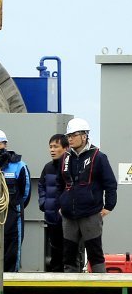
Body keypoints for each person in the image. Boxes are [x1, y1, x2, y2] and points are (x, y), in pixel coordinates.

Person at [58, 117, 117, 273]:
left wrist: (108, 207)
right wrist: (60, 204)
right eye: (68, 136)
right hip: (69, 216)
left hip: (91, 214)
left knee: (95, 254)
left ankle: (100, 293)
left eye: (73, 135)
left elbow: (110, 184)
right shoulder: (65, 157)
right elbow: (59, 183)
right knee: (69, 256)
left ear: (84, 136)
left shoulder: (98, 157)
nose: (69, 138)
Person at [0, 128, 31, 272]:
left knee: (12, 249)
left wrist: (16, 207)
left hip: (13, 214)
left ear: (5, 145)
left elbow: (26, 192)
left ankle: (11, 283)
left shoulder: (19, 166)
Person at [38, 133, 68, 272]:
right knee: (54, 251)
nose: (52, 150)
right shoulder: (48, 167)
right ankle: (55, 288)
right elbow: (41, 185)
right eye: (50, 147)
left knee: (68, 251)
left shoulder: (71, 167)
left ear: (66, 148)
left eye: (56, 146)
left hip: (68, 218)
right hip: (51, 216)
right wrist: (43, 202)